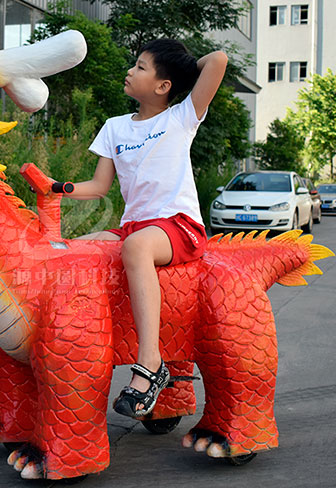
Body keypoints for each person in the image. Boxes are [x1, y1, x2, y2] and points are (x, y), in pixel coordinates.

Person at [57, 39, 228, 418]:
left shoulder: (182, 117)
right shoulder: (115, 127)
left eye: (141, 67)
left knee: (135, 246)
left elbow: (218, 59)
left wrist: (180, 68)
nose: (130, 71)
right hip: (133, 227)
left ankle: (150, 363)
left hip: (177, 226)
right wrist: (60, 187)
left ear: (163, 85)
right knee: (71, 250)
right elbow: (99, 187)